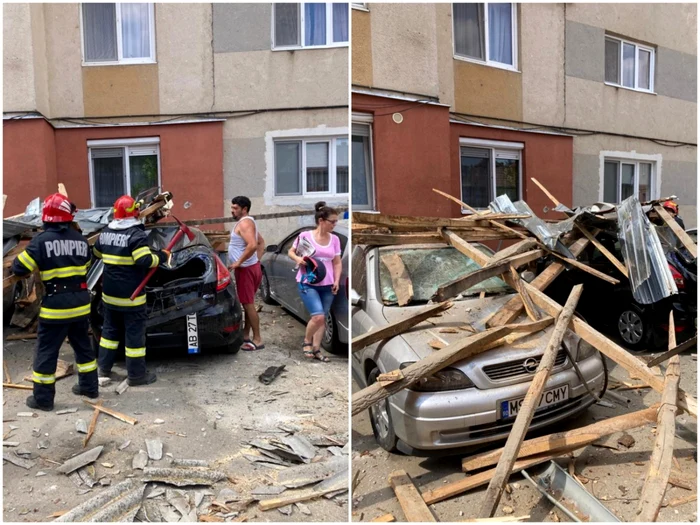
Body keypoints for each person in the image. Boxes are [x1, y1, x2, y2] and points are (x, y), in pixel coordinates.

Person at [11, 193, 98, 410]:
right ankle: (90, 387)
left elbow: (19, 268)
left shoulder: (41, 242)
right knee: (83, 348)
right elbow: (86, 265)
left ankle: (43, 399)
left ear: (47, 218)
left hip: (55, 307)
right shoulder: (80, 239)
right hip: (80, 304)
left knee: (47, 352)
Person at [93, 195, 170, 386]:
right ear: (134, 212)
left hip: (110, 296)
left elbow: (96, 253)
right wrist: (161, 256)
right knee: (134, 336)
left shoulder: (105, 232)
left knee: (109, 333)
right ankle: (136, 375)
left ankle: (103, 369)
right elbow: (144, 260)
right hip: (132, 297)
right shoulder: (135, 235)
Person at [288, 202, 342, 362]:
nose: (335, 224)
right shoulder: (305, 236)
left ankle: (317, 349)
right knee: (317, 316)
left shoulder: (335, 239)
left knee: (323, 317)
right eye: (332, 221)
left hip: (328, 284)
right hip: (307, 282)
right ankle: (307, 341)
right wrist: (298, 258)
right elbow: (291, 252)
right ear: (321, 221)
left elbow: (337, 262)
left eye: (336, 222)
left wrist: (337, 280)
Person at [228, 196, 266, 351]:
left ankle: (257, 339)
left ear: (244, 209)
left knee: (248, 305)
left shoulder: (244, 223)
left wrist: (239, 262)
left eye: (235, 208)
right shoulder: (250, 223)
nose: (232, 210)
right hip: (252, 267)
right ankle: (246, 335)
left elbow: (251, 245)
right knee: (249, 303)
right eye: (232, 207)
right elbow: (261, 242)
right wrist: (256, 260)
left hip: (245, 270)